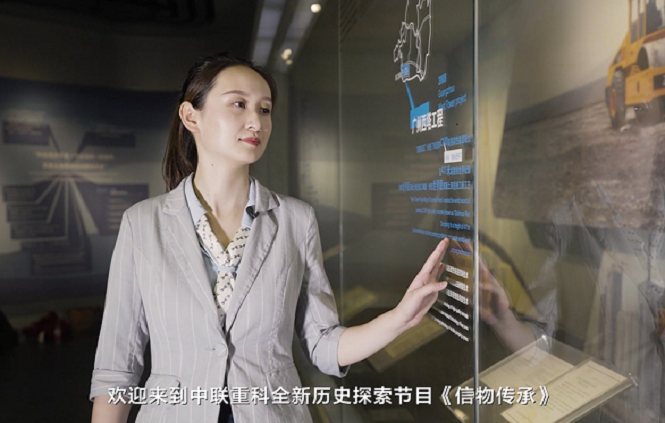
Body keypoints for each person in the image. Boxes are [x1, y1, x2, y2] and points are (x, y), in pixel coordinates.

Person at [89, 52, 450, 423]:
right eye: (239, 104)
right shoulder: (142, 224)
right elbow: (117, 368)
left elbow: (323, 344)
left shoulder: (295, 220)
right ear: (191, 116)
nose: (256, 121)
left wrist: (398, 318)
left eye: (264, 109)